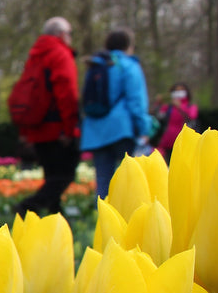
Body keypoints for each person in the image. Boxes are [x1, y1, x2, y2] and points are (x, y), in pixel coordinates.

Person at [13, 16, 81, 218]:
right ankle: (29, 205)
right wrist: (70, 129)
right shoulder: (60, 55)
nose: (70, 38)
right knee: (65, 175)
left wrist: (26, 131)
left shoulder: (34, 57)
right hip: (57, 128)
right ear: (61, 34)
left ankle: (56, 220)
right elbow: (66, 93)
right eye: (70, 33)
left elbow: (26, 96)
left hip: (37, 128)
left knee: (52, 175)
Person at [80, 28, 150, 200]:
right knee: (133, 178)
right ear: (129, 46)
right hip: (122, 129)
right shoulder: (129, 66)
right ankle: (130, 219)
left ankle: (104, 223)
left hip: (96, 130)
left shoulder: (95, 65)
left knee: (103, 181)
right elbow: (136, 102)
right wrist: (144, 129)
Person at [154, 82, 198, 163]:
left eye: (181, 90)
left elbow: (192, 116)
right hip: (168, 142)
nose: (178, 93)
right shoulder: (168, 108)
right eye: (176, 91)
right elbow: (159, 116)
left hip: (184, 142)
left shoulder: (191, 107)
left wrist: (180, 106)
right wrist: (158, 103)